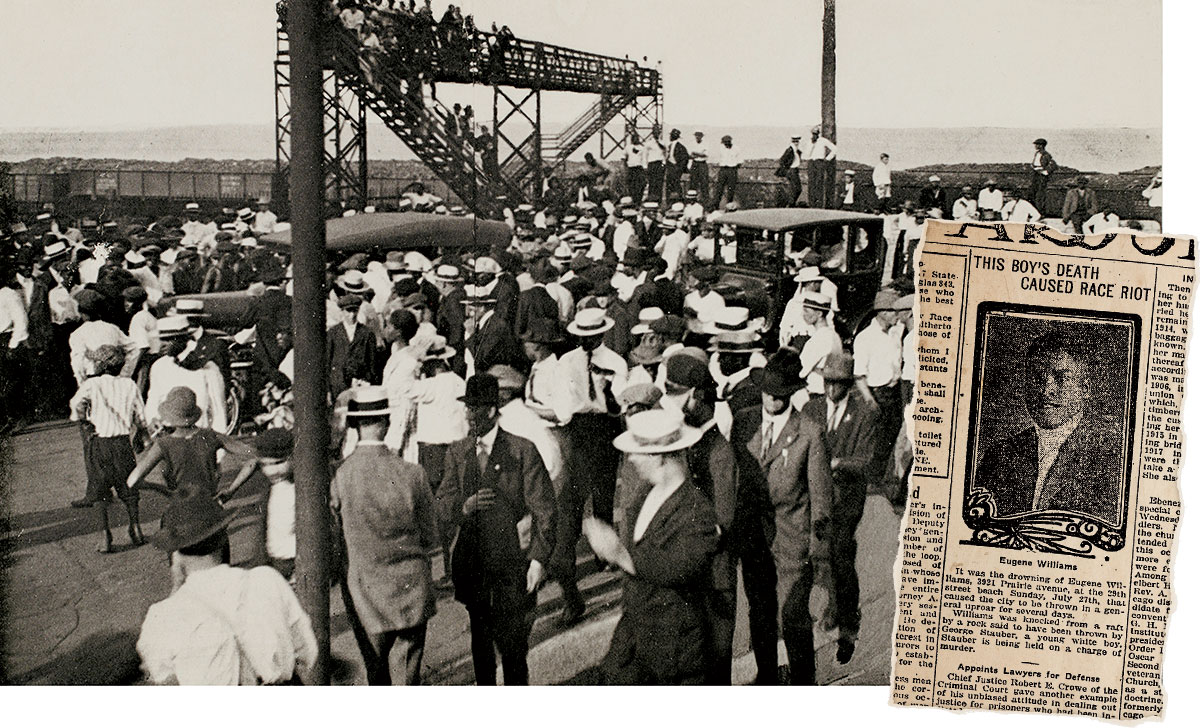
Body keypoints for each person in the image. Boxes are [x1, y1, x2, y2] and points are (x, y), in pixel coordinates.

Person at [585, 408, 719, 684]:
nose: (631, 459)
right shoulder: (645, 493)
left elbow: (679, 568)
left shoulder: (697, 510)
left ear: (658, 456)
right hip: (635, 633)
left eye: (637, 452)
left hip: (674, 649)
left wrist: (619, 554)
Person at [438, 374, 557, 685]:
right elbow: (442, 505)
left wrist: (538, 560)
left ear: (490, 411)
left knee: (514, 648)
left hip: (511, 566)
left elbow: (544, 508)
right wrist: (464, 507)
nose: (467, 415)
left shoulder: (521, 451)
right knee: (481, 645)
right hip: (474, 566)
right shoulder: (458, 452)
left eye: (473, 408)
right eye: (466, 408)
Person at [136, 495, 317, 685]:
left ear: (175, 555)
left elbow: (162, 677)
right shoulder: (267, 580)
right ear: (223, 540)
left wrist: (176, 589)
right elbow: (308, 652)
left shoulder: (162, 616)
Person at [331, 386, 439, 685]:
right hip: (412, 587)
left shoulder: (340, 476)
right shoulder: (413, 473)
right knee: (407, 676)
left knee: (377, 674)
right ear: (388, 423)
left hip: (366, 592)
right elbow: (431, 537)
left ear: (353, 426)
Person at [740, 350, 833, 684]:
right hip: (754, 539)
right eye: (766, 390)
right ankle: (766, 677)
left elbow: (821, 500)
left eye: (779, 394)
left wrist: (819, 556)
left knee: (793, 616)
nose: (770, 399)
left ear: (792, 393)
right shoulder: (745, 421)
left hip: (792, 541)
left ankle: (804, 683)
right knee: (760, 615)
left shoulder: (809, 433)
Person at [974, 332, 1122, 523]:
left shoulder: (1111, 455)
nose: (1046, 390)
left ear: (1084, 389)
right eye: (1037, 378)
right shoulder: (999, 456)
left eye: (1061, 378)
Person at [551, 308, 628, 625]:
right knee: (570, 502)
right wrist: (565, 420)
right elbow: (560, 401)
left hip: (603, 427)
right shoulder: (566, 362)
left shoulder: (616, 363)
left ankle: (604, 551)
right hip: (576, 431)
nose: (587, 341)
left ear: (602, 333)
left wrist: (607, 389)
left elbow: (618, 406)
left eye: (592, 336)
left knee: (603, 494)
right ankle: (567, 568)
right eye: (582, 336)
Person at [811, 351, 881, 664]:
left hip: (846, 497)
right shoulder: (811, 408)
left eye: (838, 384)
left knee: (840, 554)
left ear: (848, 385)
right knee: (819, 554)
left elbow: (865, 460)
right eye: (827, 382)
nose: (831, 389)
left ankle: (847, 623)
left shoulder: (863, 413)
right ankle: (830, 607)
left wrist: (839, 463)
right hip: (817, 494)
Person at [69, 344, 148, 553]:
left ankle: (105, 536)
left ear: (100, 364)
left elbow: (75, 404)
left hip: (100, 443)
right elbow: (140, 414)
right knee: (129, 488)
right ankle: (136, 528)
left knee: (99, 489)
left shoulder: (91, 385)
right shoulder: (129, 385)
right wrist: (140, 431)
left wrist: (85, 422)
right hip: (122, 443)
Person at [129, 386, 252, 499]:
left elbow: (132, 480)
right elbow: (254, 456)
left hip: (179, 509)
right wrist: (231, 490)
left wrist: (165, 491)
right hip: (210, 506)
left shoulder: (163, 444)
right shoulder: (212, 436)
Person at [218, 429, 297, 578]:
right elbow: (252, 463)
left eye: (278, 463)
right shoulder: (270, 490)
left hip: (294, 561)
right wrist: (231, 489)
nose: (271, 471)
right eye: (265, 465)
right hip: (274, 559)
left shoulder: (299, 490)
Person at [853, 290, 904, 474]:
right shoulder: (865, 338)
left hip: (894, 391)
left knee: (889, 437)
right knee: (875, 438)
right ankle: (869, 478)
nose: (897, 316)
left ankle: (878, 476)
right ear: (883, 312)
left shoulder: (895, 334)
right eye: (894, 312)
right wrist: (870, 400)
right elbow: (859, 375)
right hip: (877, 393)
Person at [805, 125, 837, 209]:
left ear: (818, 134)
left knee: (819, 183)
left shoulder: (823, 141)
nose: (814, 135)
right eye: (813, 134)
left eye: (816, 134)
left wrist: (827, 159)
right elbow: (807, 154)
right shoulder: (809, 142)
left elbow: (834, 149)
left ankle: (819, 204)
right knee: (811, 183)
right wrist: (811, 145)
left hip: (820, 162)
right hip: (811, 162)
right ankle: (812, 204)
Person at [776, 134, 806, 207]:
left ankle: (791, 203)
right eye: (795, 141)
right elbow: (782, 160)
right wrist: (786, 170)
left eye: (797, 141)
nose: (796, 143)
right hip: (791, 170)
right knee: (796, 189)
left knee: (796, 189)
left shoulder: (796, 151)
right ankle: (791, 203)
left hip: (795, 170)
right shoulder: (790, 150)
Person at [1030, 137, 1058, 214]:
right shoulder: (1036, 153)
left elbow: (1053, 165)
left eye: (1037, 144)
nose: (1035, 146)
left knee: (1040, 194)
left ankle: (1040, 211)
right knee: (1033, 192)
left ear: (1041, 145)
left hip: (1041, 176)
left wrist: (1045, 172)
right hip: (1035, 174)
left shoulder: (1046, 155)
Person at [713, 135, 741, 208]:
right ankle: (715, 206)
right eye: (724, 143)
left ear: (730, 142)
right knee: (719, 189)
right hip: (723, 169)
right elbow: (718, 159)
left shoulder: (736, 149)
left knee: (731, 189)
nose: (725, 144)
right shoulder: (721, 149)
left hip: (732, 169)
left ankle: (729, 206)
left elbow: (740, 161)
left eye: (726, 142)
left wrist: (733, 167)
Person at [688, 131, 711, 207]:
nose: (697, 137)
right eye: (696, 136)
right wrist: (699, 154)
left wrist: (696, 153)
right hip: (695, 163)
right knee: (693, 183)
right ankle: (692, 202)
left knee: (704, 183)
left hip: (702, 164)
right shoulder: (692, 143)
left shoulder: (706, 144)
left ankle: (705, 203)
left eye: (699, 136)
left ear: (701, 137)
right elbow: (691, 154)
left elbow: (705, 154)